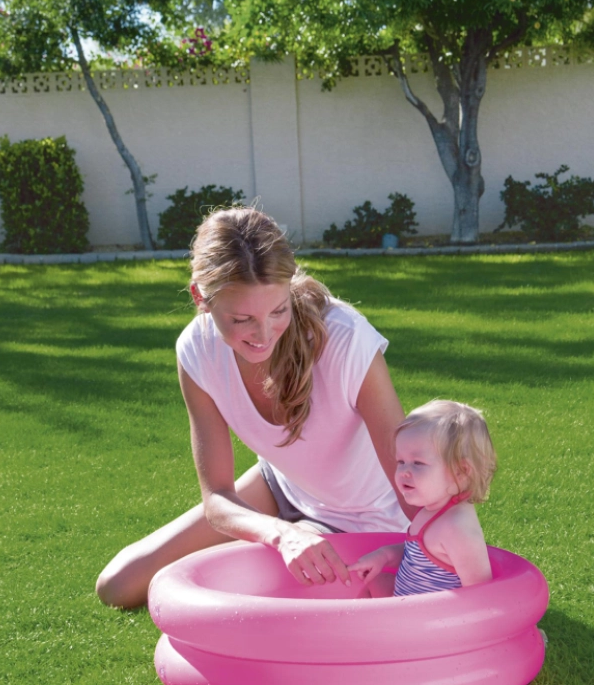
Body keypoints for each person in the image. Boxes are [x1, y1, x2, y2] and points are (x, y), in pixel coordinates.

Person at [96, 206, 411, 609]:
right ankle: (302, 527)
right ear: (200, 297)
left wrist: (428, 547)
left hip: (373, 518)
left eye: (278, 310)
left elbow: (409, 478)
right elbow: (218, 499)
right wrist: (281, 533)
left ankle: (312, 531)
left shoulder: (346, 340)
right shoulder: (197, 350)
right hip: (281, 489)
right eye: (243, 318)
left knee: (312, 618)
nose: (264, 335)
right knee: (118, 585)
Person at [347, 400, 496, 597]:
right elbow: (419, 553)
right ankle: (360, 625)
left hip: (432, 622)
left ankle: (366, 627)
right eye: (401, 461)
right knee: (377, 583)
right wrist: (384, 556)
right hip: (407, 604)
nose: (404, 472)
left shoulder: (457, 528)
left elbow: (480, 594)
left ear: (460, 471)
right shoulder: (432, 509)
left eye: (418, 463)